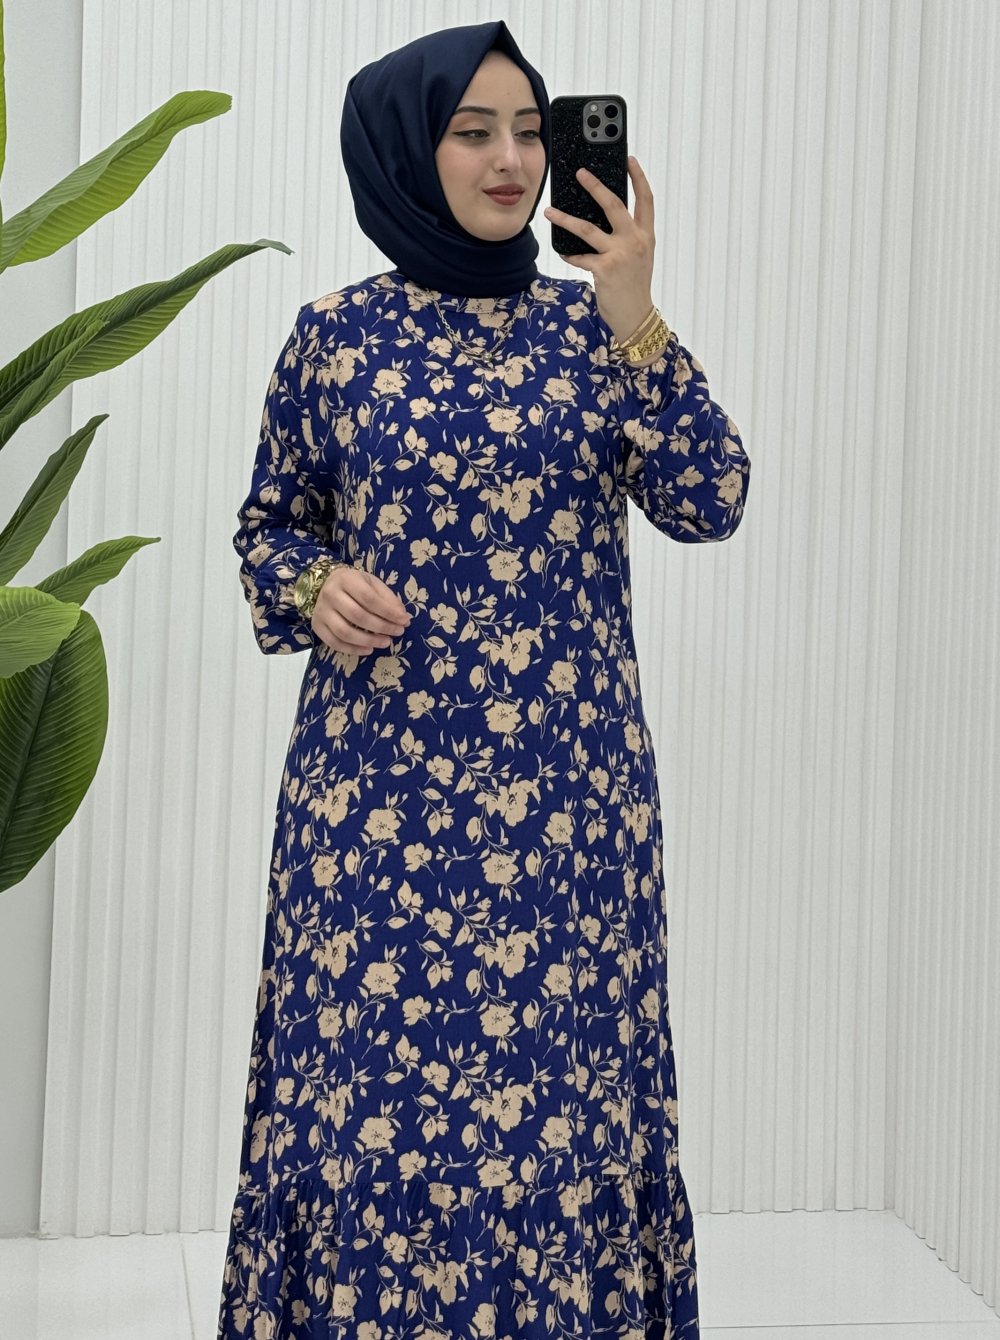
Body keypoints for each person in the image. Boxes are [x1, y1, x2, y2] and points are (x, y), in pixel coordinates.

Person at [218, 18, 749, 1340]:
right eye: (472, 132)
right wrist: (313, 587)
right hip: (377, 812)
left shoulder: (597, 333)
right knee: (371, 1109)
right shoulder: (334, 338)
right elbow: (269, 530)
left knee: (567, 1108)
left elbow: (711, 500)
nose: (511, 159)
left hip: (569, 817)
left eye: (528, 129)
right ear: (411, 149)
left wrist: (636, 316)